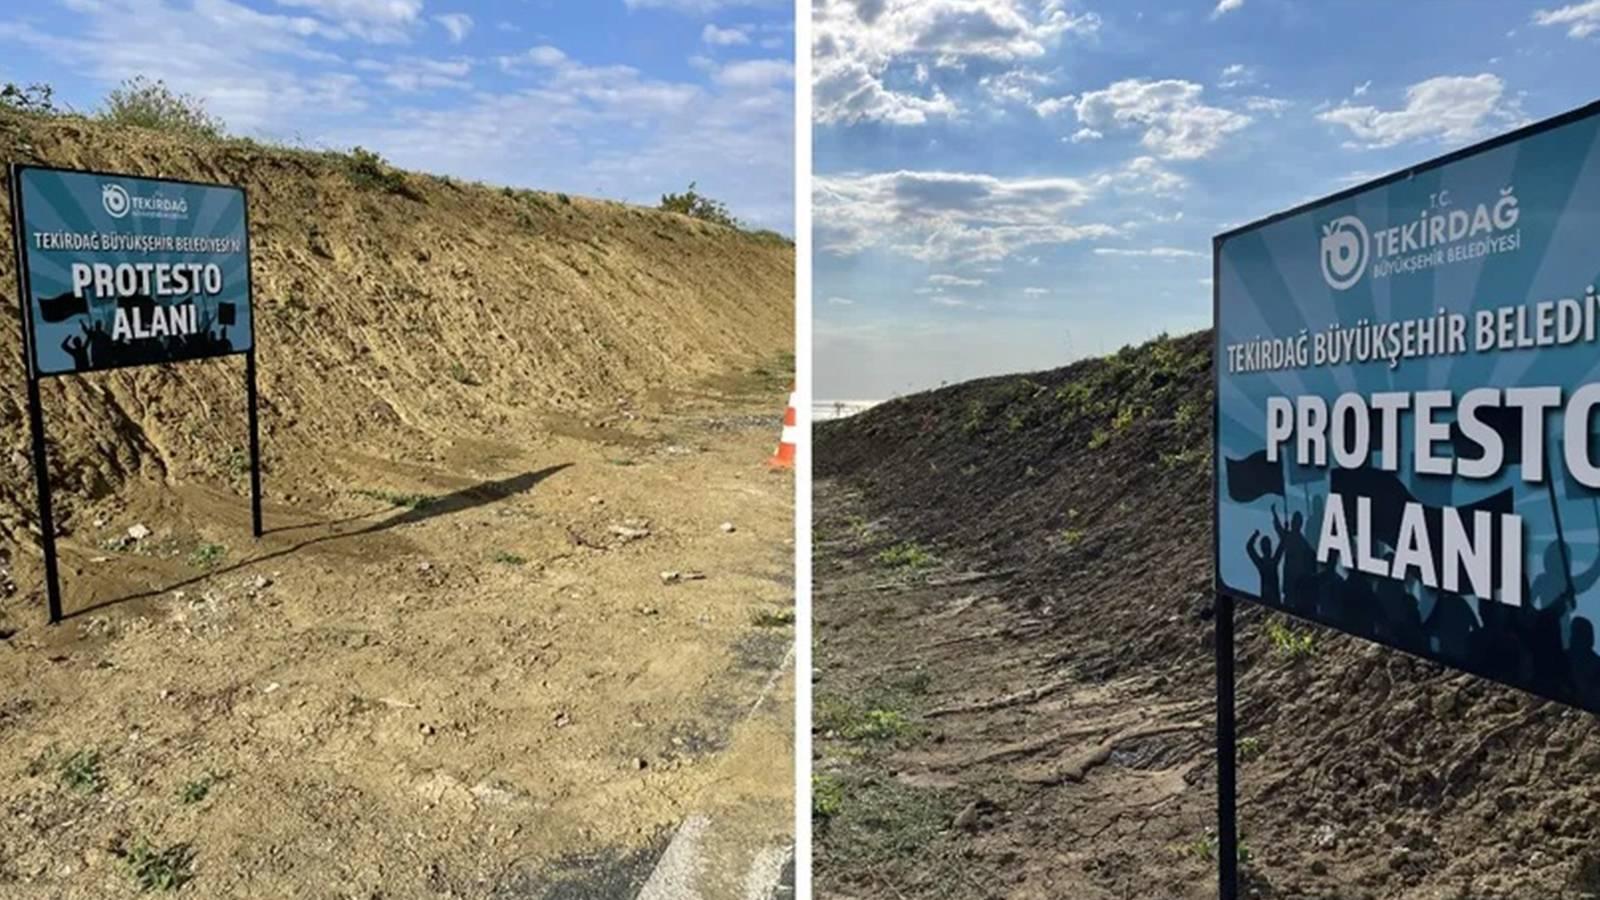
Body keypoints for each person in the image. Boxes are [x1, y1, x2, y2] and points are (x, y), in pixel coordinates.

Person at [1246, 530, 1286, 605]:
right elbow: (1249, 547)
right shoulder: (1263, 564)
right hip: (1267, 600)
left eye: (1268, 545)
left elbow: (1282, 544)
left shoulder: (1272, 562)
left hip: (1275, 601)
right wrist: (1255, 535)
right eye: (1266, 546)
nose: (1268, 548)